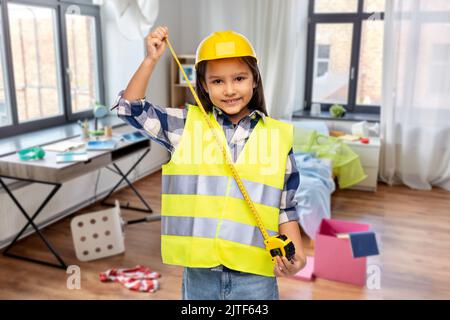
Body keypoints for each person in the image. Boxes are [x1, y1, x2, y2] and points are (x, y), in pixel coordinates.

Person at [112, 26, 306, 300]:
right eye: (217, 81)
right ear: (203, 85)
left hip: (256, 275)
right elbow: (129, 109)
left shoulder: (278, 135)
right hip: (199, 273)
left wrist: (296, 254)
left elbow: (285, 206)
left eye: (239, 78)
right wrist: (150, 60)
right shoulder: (184, 126)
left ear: (254, 80)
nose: (229, 90)